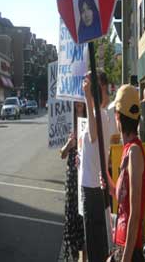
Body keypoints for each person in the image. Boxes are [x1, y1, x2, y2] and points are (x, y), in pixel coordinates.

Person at [80, 71, 117, 262]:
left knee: (96, 246)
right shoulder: (99, 114)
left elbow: (93, 137)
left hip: (93, 189)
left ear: (98, 87)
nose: (84, 84)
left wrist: (87, 97)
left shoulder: (100, 114)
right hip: (93, 186)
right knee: (96, 243)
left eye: (88, 81)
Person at [111, 85, 145, 262]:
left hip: (129, 249)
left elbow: (135, 212)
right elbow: (122, 198)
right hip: (120, 243)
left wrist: (125, 258)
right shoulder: (128, 150)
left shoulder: (134, 152)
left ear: (118, 116)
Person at [61, 101, 87, 261]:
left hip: (84, 175)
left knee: (83, 218)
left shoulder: (89, 124)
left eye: (81, 102)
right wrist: (69, 144)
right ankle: (74, 256)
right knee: (71, 215)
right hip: (72, 178)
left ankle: (83, 257)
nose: (78, 104)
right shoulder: (69, 125)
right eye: (76, 102)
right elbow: (62, 154)